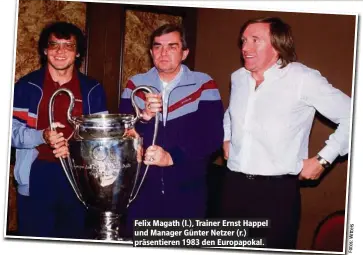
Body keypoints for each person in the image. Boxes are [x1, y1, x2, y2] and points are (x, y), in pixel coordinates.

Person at [222, 17, 351, 249]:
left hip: (275, 194)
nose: (245, 48)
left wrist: (324, 159)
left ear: (277, 45)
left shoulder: (302, 78)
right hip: (233, 186)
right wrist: (227, 137)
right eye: (243, 40)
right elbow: (231, 112)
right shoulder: (238, 77)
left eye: (255, 40)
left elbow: (354, 116)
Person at [119, 24, 224, 236]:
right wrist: (145, 118)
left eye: (172, 47)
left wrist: (172, 157)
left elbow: (212, 136)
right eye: (158, 47)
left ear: (184, 53)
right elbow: (124, 132)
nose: (163, 52)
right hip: (141, 189)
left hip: (188, 189)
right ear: (151, 53)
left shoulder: (203, 84)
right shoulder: (135, 85)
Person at [12, 21, 108, 238]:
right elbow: (9, 132)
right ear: (45, 51)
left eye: (68, 46)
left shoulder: (93, 89)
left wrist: (75, 150)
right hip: (38, 174)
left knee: (75, 241)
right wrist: (42, 136)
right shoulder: (26, 87)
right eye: (54, 45)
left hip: (79, 176)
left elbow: (101, 138)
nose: (60, 51)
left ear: (78, 53)